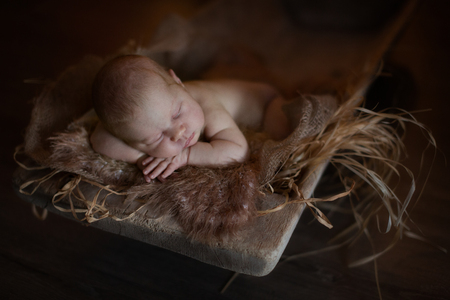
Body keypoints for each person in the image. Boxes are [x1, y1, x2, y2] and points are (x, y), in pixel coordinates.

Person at [90, 54, 290, 182]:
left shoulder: (206, 104)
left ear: (178, 82)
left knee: (281, 134)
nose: (178, 132)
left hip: (267, 102)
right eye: (156, 137)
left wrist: (185, 156)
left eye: (177, 113)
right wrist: (143, 158)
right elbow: (99, 139)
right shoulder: (148, 117)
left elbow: (238, 152)